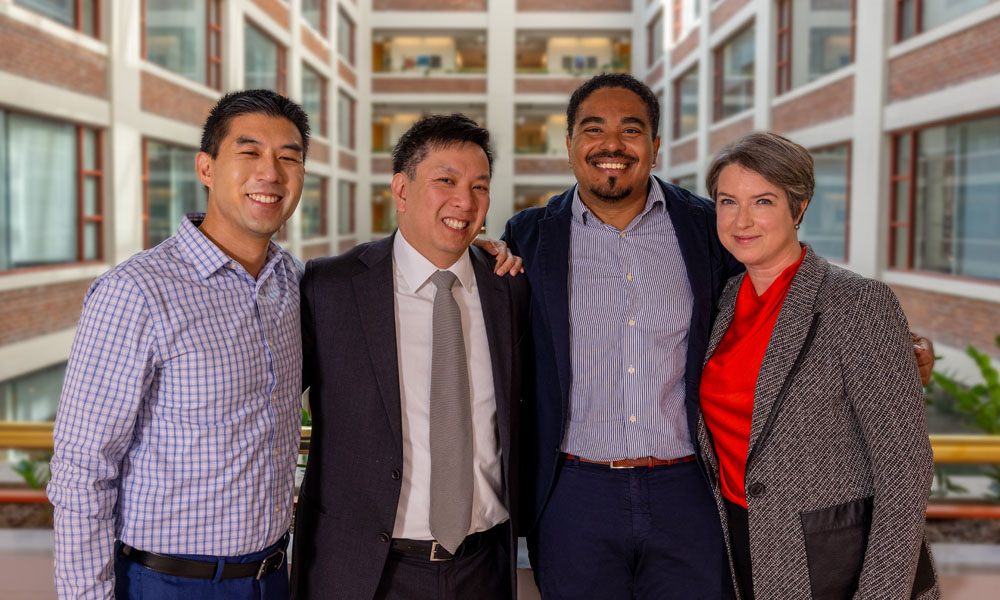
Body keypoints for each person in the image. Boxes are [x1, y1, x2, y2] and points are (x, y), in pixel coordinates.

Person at [502, 73, 936, 599]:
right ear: (569, 142)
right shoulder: (527, 235)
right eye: (594, 129)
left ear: (655, 146)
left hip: (690, 495)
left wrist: (899, 347)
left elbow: (794, 289)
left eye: (631, 130)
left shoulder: (704, 227)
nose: (612, 144)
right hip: (575, 494)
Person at [47, 89, 311, 599]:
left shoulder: (294, 282)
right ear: (206, 168)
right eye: (250, 152)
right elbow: (83, 468)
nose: (271, 173)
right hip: (167, 583)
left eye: (288, 158)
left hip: (273, 578)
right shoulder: (136, 292)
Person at [291, 114, 531, 600]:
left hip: (484, 568)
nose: (465, 201)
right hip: (365, 572)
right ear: (401, 190)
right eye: (447, 181)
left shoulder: (510, 287)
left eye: (480, 186)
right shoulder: (330, 286)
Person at [697, 132, 938, 599]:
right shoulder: (722, 302)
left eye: (763, 201)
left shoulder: (856, 302)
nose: (741, 220)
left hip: (837, 561)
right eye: (728, 202)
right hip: (740, 545)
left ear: (799, 207)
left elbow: (905, 467)